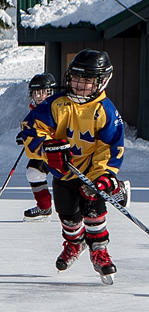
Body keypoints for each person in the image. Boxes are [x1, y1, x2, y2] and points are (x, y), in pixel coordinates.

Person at [23, 52, 125, 282]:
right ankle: (74, 243)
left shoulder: (105, 111)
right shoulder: (57, 104)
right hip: (64, 173)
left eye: (87, 80)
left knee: (94, 213)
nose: (79, 85)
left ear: (102, 81)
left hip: (91, 173)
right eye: (76, 79)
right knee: (68, 214)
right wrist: (48, 148)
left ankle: (99, 251)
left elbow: (110, 147)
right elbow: (31, 129)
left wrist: (103, 176)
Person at [15, 73, 58, 220]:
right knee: (33, 173)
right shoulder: (35, 109)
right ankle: (44, 207)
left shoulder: (57, 107)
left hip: (62, 150)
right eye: (36, 93)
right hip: (44, 150)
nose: (39, 96)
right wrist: (27, 136)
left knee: (71, 179)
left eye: (43, 92)